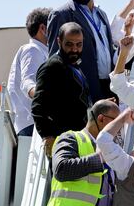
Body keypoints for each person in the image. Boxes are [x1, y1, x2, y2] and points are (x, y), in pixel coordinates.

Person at [46, 0, 116, 102]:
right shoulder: (61, 15)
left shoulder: (102, 15)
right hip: (81, 92)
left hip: (108, 87)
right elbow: (54, 60)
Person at [46, 99, 120, 206]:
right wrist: (99, 159)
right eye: (117, 122)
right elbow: (61, 169)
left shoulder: (110, 150)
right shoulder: (70, 138)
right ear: (101, 119)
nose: (119, 129)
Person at [32, 22, 91, 156]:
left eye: (79, 44)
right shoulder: (52, 67)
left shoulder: (75, 66)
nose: (75, 49)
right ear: (59, 41)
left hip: (80, 140)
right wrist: (47, 136)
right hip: (63, 143)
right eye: (69, 44)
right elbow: (37, 106)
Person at [7, 7, 51, 136]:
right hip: (32, 124)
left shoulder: (41, 51)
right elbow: (27, 82)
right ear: (43, 29)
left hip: (33, 123)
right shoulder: (33, 50)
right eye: (54, 26)